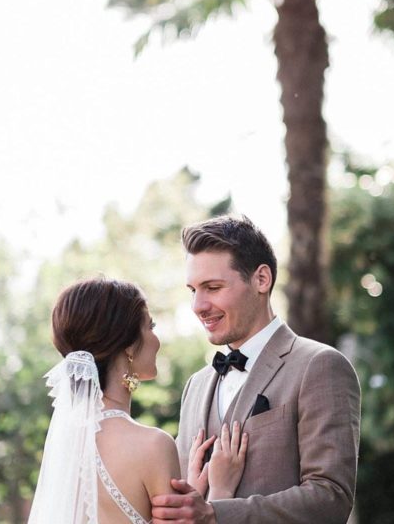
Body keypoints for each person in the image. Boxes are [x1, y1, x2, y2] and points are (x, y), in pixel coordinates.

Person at [151, 215, 361, 524]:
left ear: (262, 279)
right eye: (193, 290)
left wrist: (216, 514)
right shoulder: (194, 387)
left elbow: (330, 498)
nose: (198, 305)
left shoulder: (319, 366)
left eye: (212, 287)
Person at [28, 277, 247, 524]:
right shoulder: (153, 445)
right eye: (150, 326)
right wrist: (220, 493)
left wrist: (190, 495)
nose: (157, 339)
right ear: (130, 346)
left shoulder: (68, 447)